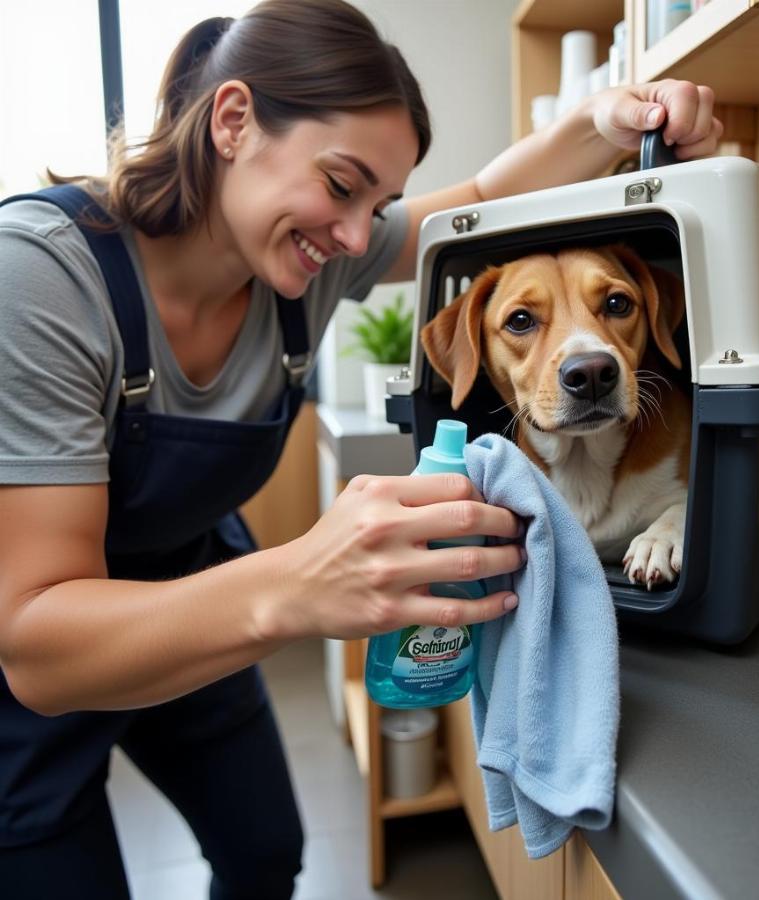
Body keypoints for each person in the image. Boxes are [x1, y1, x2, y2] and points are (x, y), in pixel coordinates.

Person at [0, 0, 721, 897]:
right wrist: (301, 582)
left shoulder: (306, 257)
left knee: (264, 853)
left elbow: (488, 200)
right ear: (233, 121)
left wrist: (609, 116)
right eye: (344, 186)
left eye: (378, 204)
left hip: (192, 584)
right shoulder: (38, 276)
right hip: (49, 648)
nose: (359, 236)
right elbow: (34, 646)